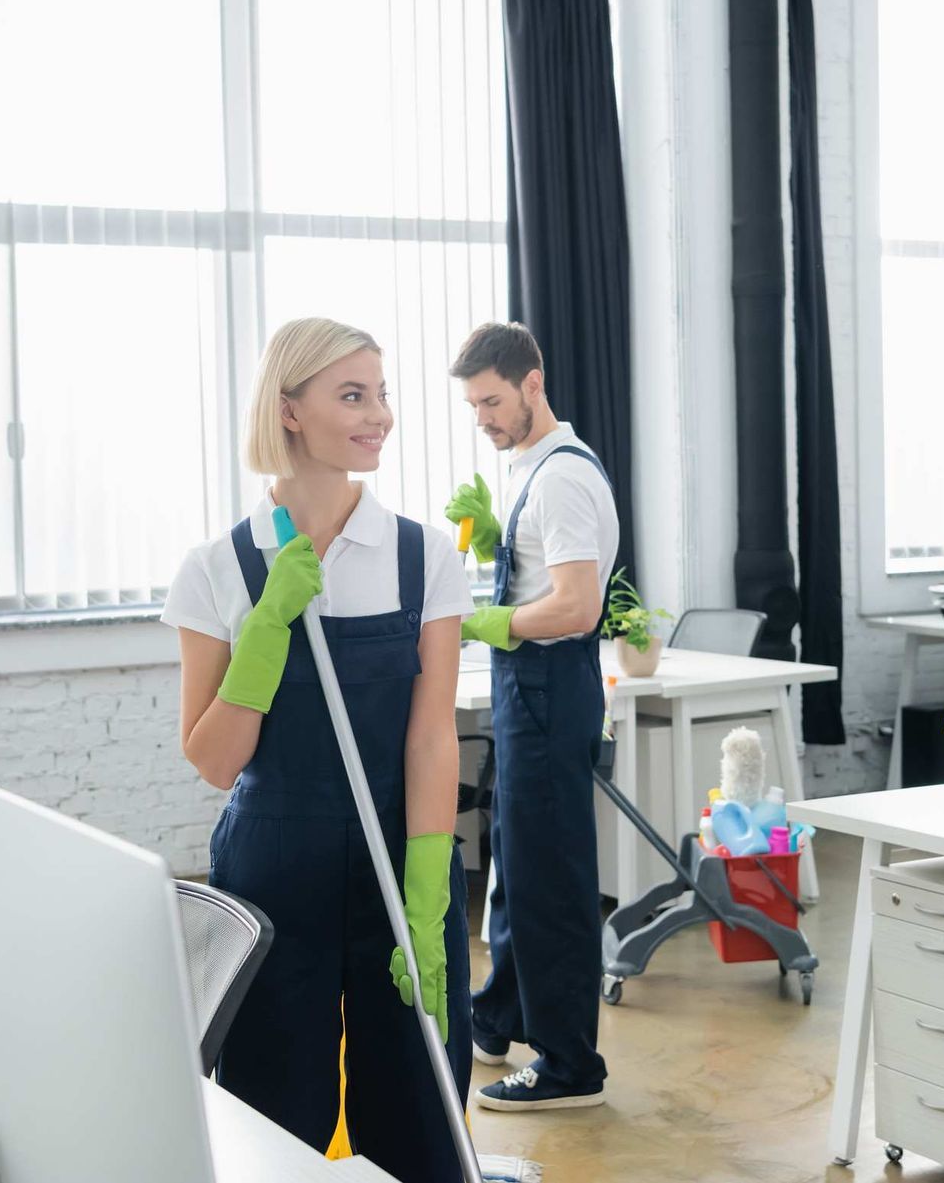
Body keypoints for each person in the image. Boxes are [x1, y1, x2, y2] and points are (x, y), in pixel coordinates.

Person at [167, 317, 473, 1183]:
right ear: (289, 409)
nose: (379, 414)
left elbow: (431, 732)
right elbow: (215, 761)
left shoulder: (422, 557)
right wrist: (263, 634)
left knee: (420, 1110)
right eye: (352, 395)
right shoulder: (217, 567)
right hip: (273, 867)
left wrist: (426, 887)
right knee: (274, 1109)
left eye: (381, 393)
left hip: (398, 859)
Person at [446, 321, 619, 1112]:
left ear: (533, 383)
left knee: (549, 874)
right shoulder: (528, 469)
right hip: (532, 686)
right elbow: (545, 573)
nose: (481, 416)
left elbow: (578, 605)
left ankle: (568, 1062)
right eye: (474, 403)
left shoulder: (561, 478)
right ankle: (499, 1014)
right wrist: (494, 546)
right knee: (517, 859)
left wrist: (493, 623)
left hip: (549, 681)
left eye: (491, 400)